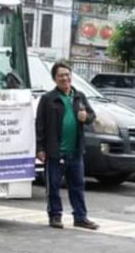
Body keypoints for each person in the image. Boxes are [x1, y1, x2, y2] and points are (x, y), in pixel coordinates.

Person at [36, 61, 100, 230]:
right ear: (55, 79)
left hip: (75, 151)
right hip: (55, 151)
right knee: (54, 186)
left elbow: (92, 116)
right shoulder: (48, 99)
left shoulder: (79, 96)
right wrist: (40, 148)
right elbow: (40, 125)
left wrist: (85, 117)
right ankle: (55, 216)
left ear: (71, 76)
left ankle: (80, 217)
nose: (65, 78)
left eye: (67, 74)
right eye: (60, 76)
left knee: (77, 185)